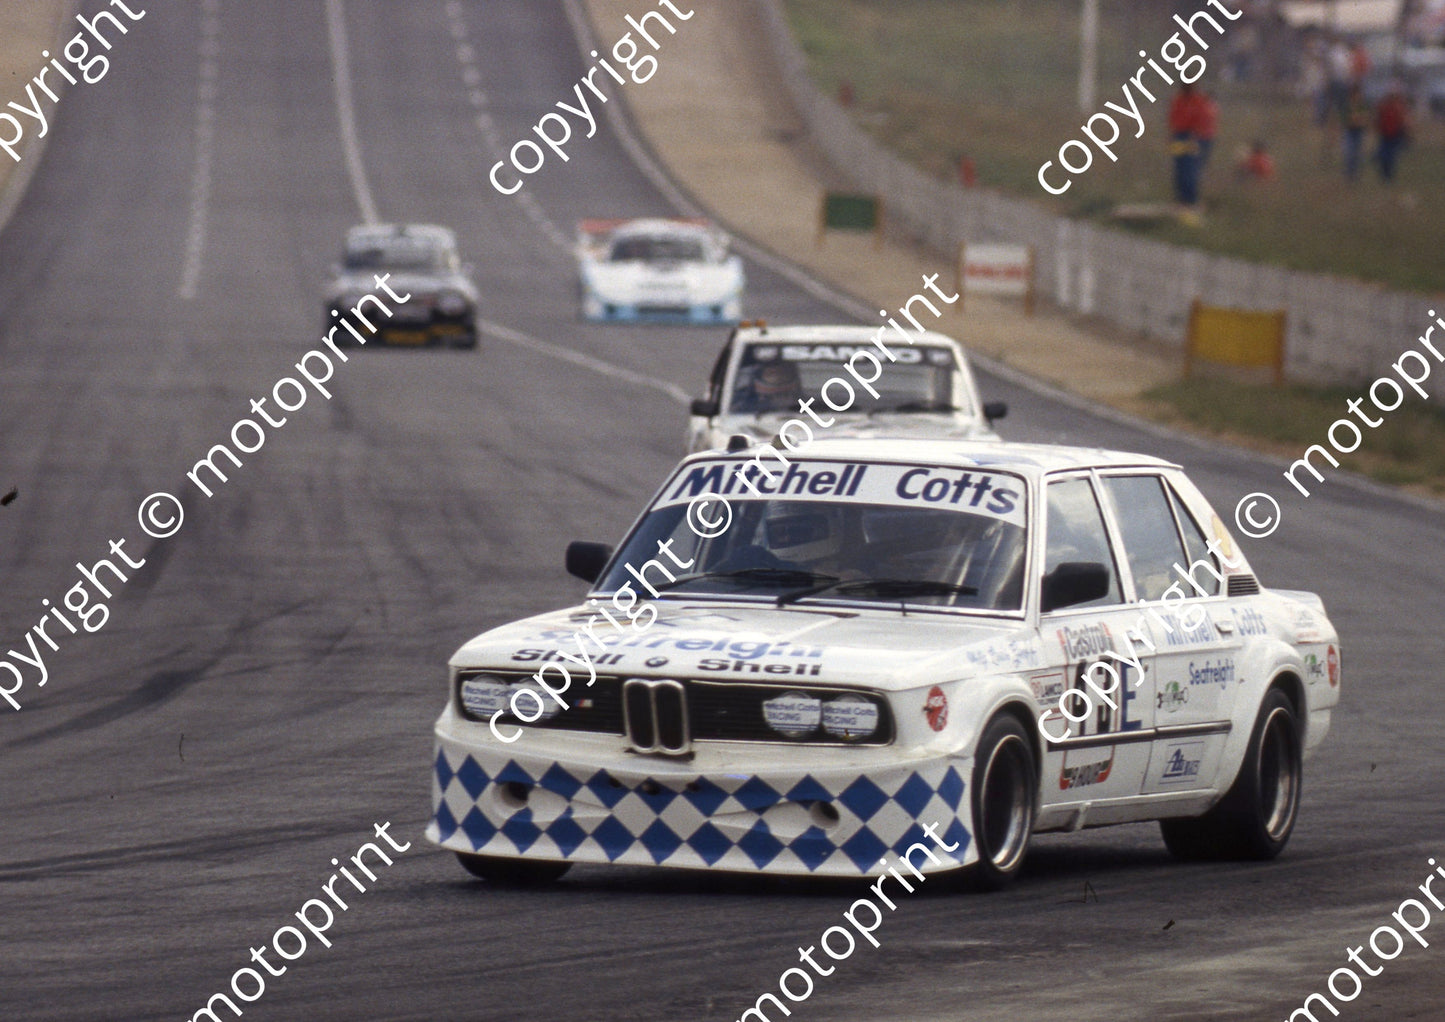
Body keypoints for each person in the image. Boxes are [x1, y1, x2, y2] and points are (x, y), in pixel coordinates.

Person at [1168, 84, 1207, 207]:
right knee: (1180, 167)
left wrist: (1196, 133)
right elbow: (1173, 117)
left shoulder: (1197, 99)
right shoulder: (1178, 99)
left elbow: (1201, 118)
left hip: (1191, 136)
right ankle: (1182, 198)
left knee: (1190, 168)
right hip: (1179, 135)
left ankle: (1191, 198)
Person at [1375, 86, 1411, 181]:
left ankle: (1388, 175)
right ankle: (1385, 174)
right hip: (1385, 134)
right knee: (1385, 155)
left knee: (1391, 156)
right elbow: (1378, 118)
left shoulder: (1398, 106)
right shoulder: (1384, 105)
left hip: (1394, 134)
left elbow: (1403, 120)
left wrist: (1405, 131)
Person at [1341, 84, 1370, 180]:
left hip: (1359, 132)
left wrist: (1357, 119)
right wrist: (1356, 119)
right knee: (1349, 153)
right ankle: (1349, 173)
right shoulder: (1347, 105)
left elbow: (1365, 119)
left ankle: (1355, 174)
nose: (1358, 96)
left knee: (1358, 153)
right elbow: (1347, 119)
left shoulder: (1362, 105)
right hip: (1349, 131)